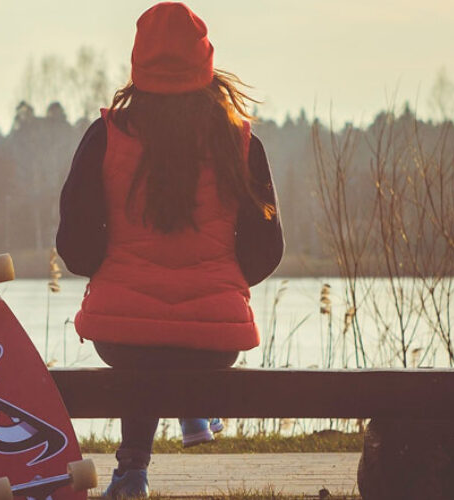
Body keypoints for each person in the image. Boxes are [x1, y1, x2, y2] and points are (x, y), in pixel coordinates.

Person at [55, 3, 283, 498]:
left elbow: (75, 248)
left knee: (146, 344)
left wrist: (114, 270)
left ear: (138, 65)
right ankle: (192, 408)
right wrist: (218, 282)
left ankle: (133, 471)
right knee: (175, 341)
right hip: (215, 337)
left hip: (121, 335)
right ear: (206, 65)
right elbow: (268, 250)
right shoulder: (241, 143)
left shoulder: (106, 137)